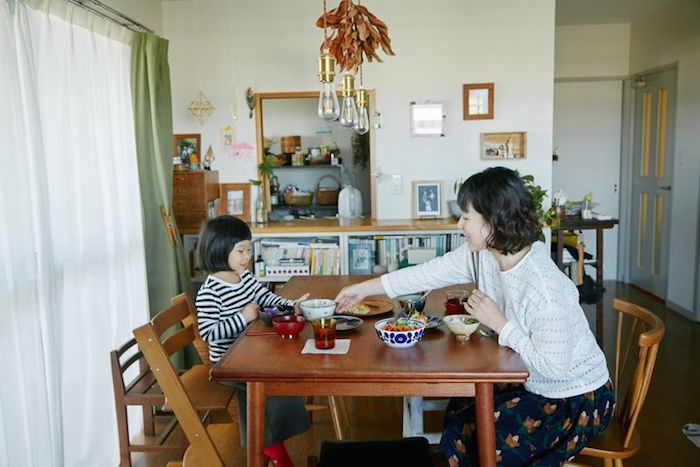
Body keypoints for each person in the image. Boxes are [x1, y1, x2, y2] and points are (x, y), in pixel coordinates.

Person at [335, 167, 614, 466]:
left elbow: (554, 369)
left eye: (467, 217)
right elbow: (426, 274)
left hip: (574, 398)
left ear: (493, 221)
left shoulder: (544, 287)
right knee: (461, 410)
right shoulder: (484, 254)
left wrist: (499, 324)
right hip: (531, 379)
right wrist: (362, 290)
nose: (460, 224)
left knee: (479, 436)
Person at [196, 215, 310, 467]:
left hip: (252, 353)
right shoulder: (210, 291)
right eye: (240, 250)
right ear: (218, 249)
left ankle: (269, 442)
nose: (247, 256)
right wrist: (243, 317)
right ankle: (271, 448)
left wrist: (293, 305)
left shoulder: (245, 277)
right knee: (264, 388)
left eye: (249, 249)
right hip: (228, 362)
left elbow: (266, 298)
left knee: (280, 378)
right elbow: (208, 333)